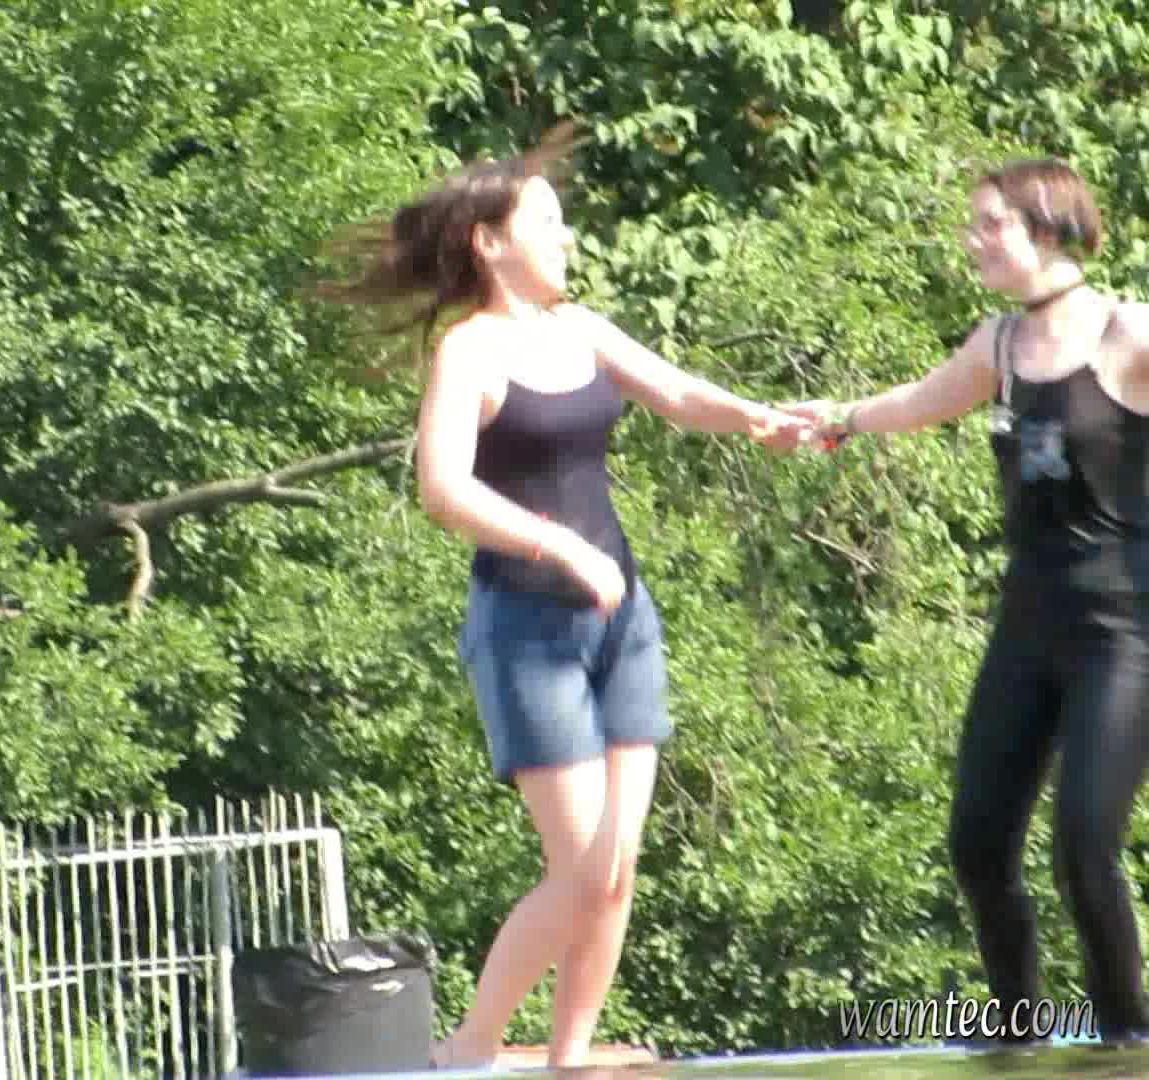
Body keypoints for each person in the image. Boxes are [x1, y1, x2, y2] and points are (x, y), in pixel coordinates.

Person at [314, 122, 813, 1070]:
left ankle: (571, 1055)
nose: (566, 237)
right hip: (528, 627)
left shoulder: (578, 330)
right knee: (582, 869)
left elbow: (679, 394)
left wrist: (757, 418)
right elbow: (443, 490)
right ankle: (470, 1045)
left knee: (617, 869)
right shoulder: (469, 351)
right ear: (489, 243)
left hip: (623, 624)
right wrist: (560, 547)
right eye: (545, 222)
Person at [786, 157, 1149, 1046]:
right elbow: (920, 402)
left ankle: (1127, 1043)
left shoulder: (1128, 333)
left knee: (1083, 850)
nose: (972, 239)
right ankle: (1017, 1033)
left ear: (1048, 228)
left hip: (1123, 633)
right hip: (1027, 625)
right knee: (978, 841)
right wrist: (836, 418)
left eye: (990, 223)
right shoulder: (999, 343)